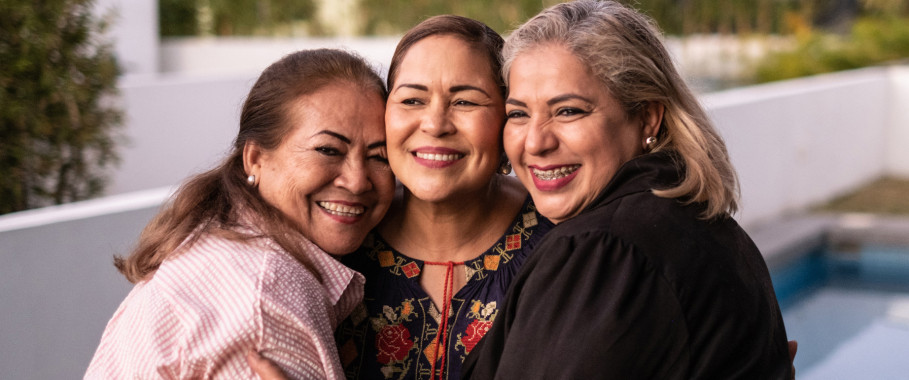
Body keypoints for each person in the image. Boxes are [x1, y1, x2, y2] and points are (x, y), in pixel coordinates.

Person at [461, 1, 792, 379]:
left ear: (648, 116)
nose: (535, 143)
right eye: (518, 113)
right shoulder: (696, 222)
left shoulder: (605, 251)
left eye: (568, 110)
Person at [84, 49, 395, 379]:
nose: (358, 181)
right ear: (255, 158)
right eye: (328, 150)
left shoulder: (227, 246)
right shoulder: (267, 307)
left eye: (380, 156)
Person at [331, 15, 554, 380]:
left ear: (509, 117)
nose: (435, 124)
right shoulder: (338, 239)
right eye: (413, 100)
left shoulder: (562, 243)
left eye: (465, 102)